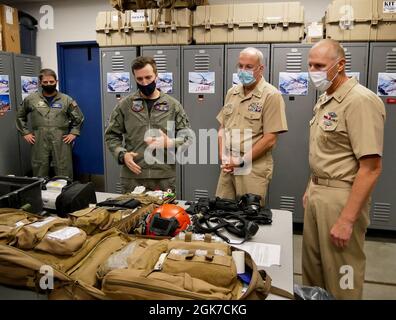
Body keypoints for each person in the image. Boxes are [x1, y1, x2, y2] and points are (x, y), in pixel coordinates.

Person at [302, 39, 386, 299]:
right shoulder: (326, 99)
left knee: (342, 276)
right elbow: (325, 152)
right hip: (318, 193)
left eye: (320, 65)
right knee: (313, 274)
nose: (313, 70)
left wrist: (347, 219)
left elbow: (371, 168)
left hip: (342, 198)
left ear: (340, 65)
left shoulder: (360, 101)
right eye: (310, 64)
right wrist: (310, 186)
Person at [105, 56, 192, 194]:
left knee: (162, 215)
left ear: (156, 76)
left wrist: (170, 142)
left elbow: (187, 137)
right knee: (131, 215)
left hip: (163, 177)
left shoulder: (173, 105)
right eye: (139, 79)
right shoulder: (125, 105)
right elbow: (111, 135)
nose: (144, 83)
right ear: (134, 78)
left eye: (148, 77)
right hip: (133, 177)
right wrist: (122, 155)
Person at [216, 47, 288, 204]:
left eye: (248, 67)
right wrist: (223, 156)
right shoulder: (232, 92)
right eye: (240, 66)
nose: (243, 70)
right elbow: (222, 128)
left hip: (252, 168)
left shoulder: (271, 95)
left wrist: (241, 161)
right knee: (221, 210)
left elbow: (270, 139)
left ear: (260, 68)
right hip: (229, 166)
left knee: (249, 217)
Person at [16, 68, 84, 180]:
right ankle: (40, 193)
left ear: (56, 82)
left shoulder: (66, 99)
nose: (49, 84)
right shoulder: (31, 99)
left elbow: (79, 118)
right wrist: (25, 133)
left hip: (61, 138)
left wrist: (74, 133)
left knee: (64, 167)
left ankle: (65, 193)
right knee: (39, 167)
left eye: (51, 82)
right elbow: (20, 116)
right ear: (40, 83)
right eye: (45, 82)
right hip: (39, 138)